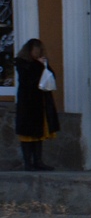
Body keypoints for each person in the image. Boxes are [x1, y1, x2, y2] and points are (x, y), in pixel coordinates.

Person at [14, 38, 60, 172]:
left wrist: (44, 65)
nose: (38, 52)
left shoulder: (40, 63)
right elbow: (28, 80)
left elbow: (51, 77)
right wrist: (39, 65)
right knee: (27, 134)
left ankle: (38, 161)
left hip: (40, 104)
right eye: (36, 50)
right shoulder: (22, 63)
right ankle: (28, 162)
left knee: (39, 133)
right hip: (28, 104)